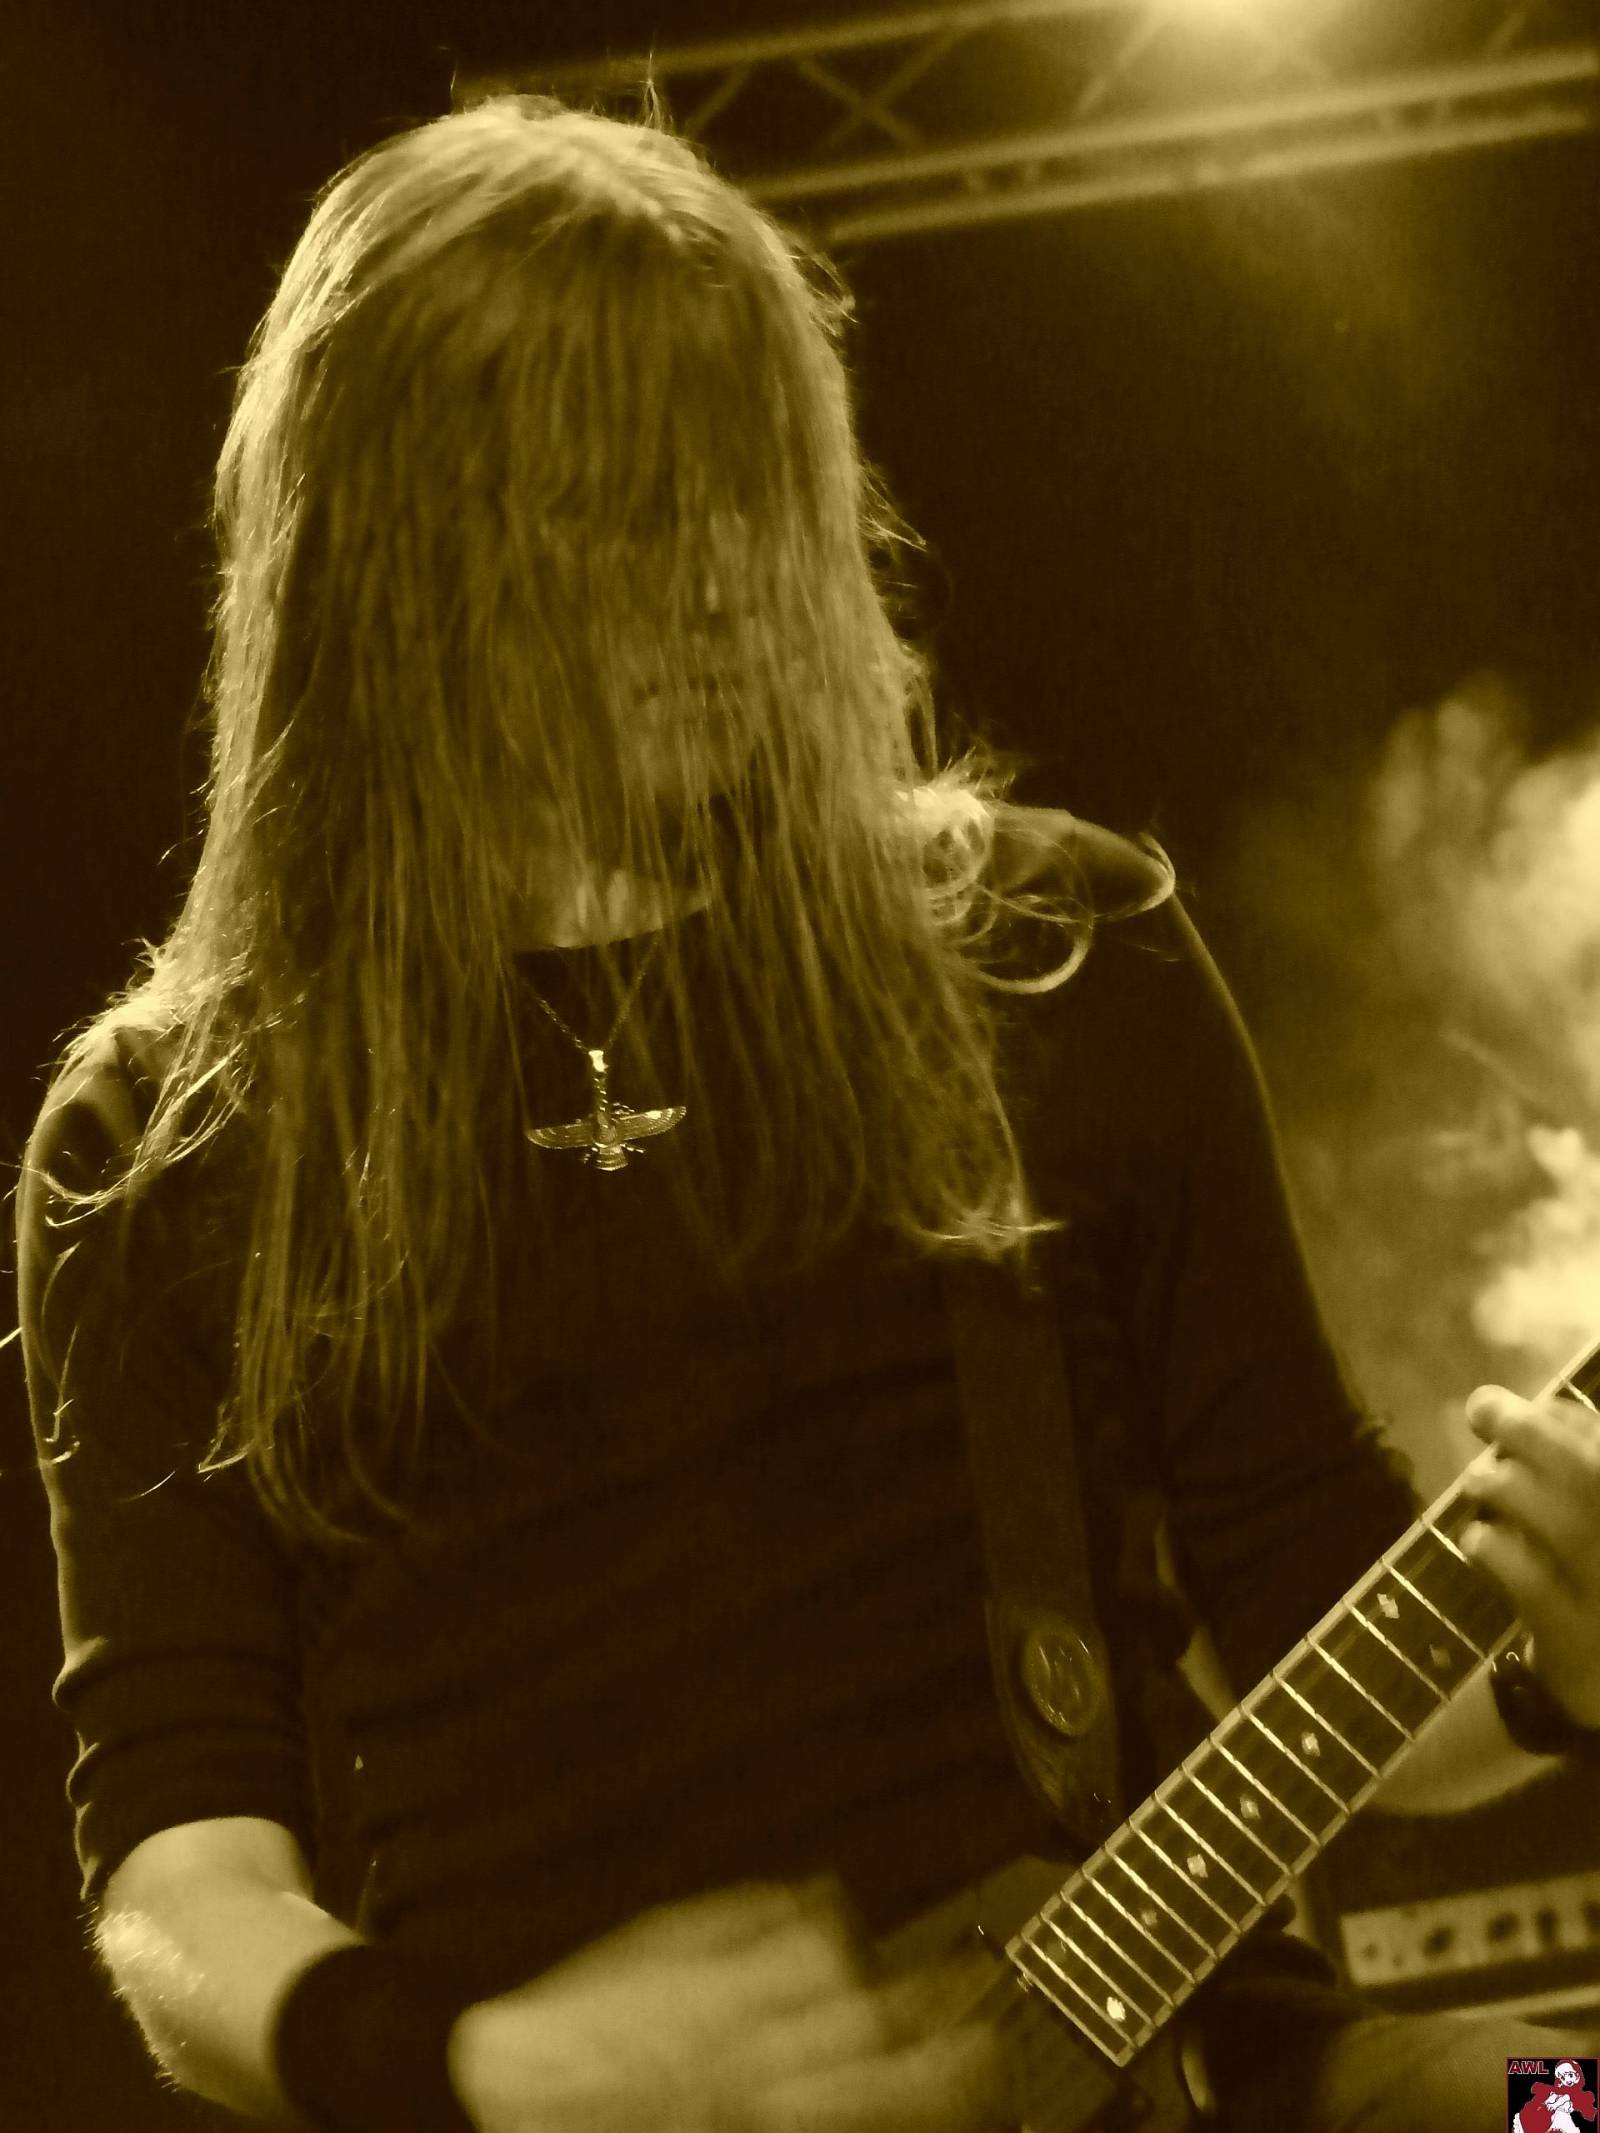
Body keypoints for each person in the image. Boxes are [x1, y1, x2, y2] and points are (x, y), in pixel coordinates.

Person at [15, 92, 1600, 2133]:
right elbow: (181, 1872)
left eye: (747, 502)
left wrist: (1554, 1662)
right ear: (397, 556)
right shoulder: (168, 1141)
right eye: (620, 511)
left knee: (1561, 2106)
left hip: (1192, 2053)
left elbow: (1327, 1608)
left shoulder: (1040, 953)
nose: (715, 589)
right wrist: (476, 2061)